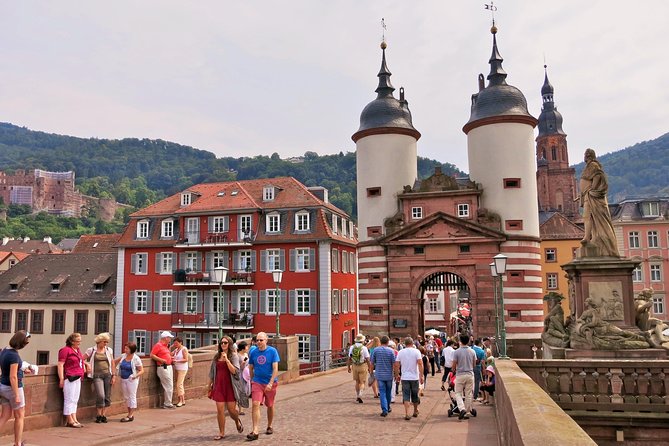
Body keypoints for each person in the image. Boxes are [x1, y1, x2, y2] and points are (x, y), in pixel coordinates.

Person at [577, 148, 619, 257]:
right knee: (587, 217)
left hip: (592, 196)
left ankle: (588, 237)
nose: (584, 156)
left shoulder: (594, 165)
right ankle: (590, 237)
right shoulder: (588, 166)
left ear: (589, 155)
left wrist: (592, 189)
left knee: (590, 217)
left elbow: (598, 176)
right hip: (587, 195)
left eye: (586, 154)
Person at [208, 336, 244, 441]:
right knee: (220, 410)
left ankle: (237, 421)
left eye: (225, 342)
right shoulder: (216, 356)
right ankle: (221, 432)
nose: (223, 344)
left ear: (230, 344)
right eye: (221, 343)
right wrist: (209, 386)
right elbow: (212, 373)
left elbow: (236, 372)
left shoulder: (234, 356)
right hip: (219, 385)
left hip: (230, 386)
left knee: (232, 410)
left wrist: (227, 360)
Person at [0, 330, 32, 446]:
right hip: (12, 388)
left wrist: (23, 370)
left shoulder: (4, 350)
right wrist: (17, 395)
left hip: (2, 386)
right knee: (19, 416)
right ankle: (17, 443)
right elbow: (12, 377)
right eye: (26, 342)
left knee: (5, 416)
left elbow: (8, 369)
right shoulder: (14, 355)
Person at [247, 332, 279, 441]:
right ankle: (255, 430)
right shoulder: (253, 352)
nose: (259, 342)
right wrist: (252, 381)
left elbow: (275, 368)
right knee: (255, 404)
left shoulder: (272, 351)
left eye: (261, 340)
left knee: (270, 405)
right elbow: (251, 367)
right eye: (257, 340)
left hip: (270, 382)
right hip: (257, 382)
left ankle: (269, 425)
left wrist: (270, 383)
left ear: (266, 340)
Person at [84, 332, 116, 423]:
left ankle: (103, 415)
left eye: (106, 342)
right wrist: (87, 364)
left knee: (107, 396)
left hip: (107, 374)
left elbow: (112, 363)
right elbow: (81, 359)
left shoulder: (109, 350)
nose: (106, 344)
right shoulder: (91, 350)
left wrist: (114, 375)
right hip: (97, 375)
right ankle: (98, 414)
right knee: (100, 395)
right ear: (99, 341)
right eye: (104, 342)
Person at [58, 332, 86, 427]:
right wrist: (61, 378)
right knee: (69, 398)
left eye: (80, 341)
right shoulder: (65, 350)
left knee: (75, 399)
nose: (79, 343)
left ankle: (74, 418)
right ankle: (69, 419)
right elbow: (61, 364)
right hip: (69, 376)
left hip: (78, 376)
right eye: (78, 341)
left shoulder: (77, 350)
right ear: (72, 341)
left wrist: (86, 365)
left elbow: (81, 361)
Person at [394, 337, 424, 421]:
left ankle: (407, 413)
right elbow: (420, 364)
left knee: (406, 395)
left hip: (405, 377)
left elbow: (396, 364)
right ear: (412, 343)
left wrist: (397, 375)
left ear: (405, 344)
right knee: (415, 394)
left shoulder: (401, 352)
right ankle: (415, 410)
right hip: (414, 377)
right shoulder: (416, 351)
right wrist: (421, 376)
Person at [115, 341, 144, 422]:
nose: (125, 350)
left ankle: (130, 415)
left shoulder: (136, 358)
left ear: (131, 350)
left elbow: (141, 370)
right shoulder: (123, 356)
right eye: (125, 348)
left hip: (132, 380)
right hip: (123, 378)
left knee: (132, 396)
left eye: (127, 349)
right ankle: (129, 413)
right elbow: (114, 361)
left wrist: (135, 376)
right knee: (126, 397)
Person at [452, 334, 477, 420]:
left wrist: (453, 370)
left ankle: (461, 408)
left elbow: (454, 365)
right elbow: (474, 364)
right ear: (468, 341)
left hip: (460, 374)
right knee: (468, 394)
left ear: (460, 341)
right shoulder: (472, 351)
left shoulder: (457, 352)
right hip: (470, 374)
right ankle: (466, 411)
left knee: (458, 393)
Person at [369, 336, 396, 417]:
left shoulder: (376, 350)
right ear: (388, 342)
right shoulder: (391, 351)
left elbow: (372, 362)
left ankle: (384, 409)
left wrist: (371, 372)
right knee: (388, 392)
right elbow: (394, 363)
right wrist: (396, 373)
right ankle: (387, 406)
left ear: (380, 342)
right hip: (389, 375)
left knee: (382, 392)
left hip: (379, 375)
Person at [150, 330, 175, 409]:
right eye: (169, 338)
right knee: (169, 385)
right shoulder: (158, 345)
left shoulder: (165, 346)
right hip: (162, 366)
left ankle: (168, 402)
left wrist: (171, 358)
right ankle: (167, 403)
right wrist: (161, 360)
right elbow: (152, 355)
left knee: (169, 384)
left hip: (168, 366)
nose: (170, 339)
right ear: (165, 338)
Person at [346, 333, 370, 404]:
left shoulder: (352, 347)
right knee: (362, 382)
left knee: (357, 381)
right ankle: (360, 394)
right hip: (362, 365)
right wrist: (369, 367)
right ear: (362, 340)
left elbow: (349, 358)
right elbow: (368, 359)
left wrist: (348, 367)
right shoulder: (364, 348)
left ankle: (357, 395)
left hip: (354, 365)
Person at [170, 337, 190, 407]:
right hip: (176, 368)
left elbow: (186, 359)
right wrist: (170, 347)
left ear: (180, 343)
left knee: (179, 384)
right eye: (174, 343)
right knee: (179, 384)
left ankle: (180, 401)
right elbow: (169, 354)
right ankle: (183, 400)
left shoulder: (184, 349)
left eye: (176, 343)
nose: (175, 344)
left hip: (182, 369)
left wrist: (177, 361)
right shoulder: (176, 350)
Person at [236, 340, 251, 416]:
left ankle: (243, 406)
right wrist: (242, 364)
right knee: (240, 391)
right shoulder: (238, 356)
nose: (247, 347)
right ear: (243, 348)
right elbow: (238, 367)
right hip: (240, 375)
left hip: (246, 374)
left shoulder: (246, 354)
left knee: (245, 390)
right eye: (246, 346)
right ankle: (240, 408)